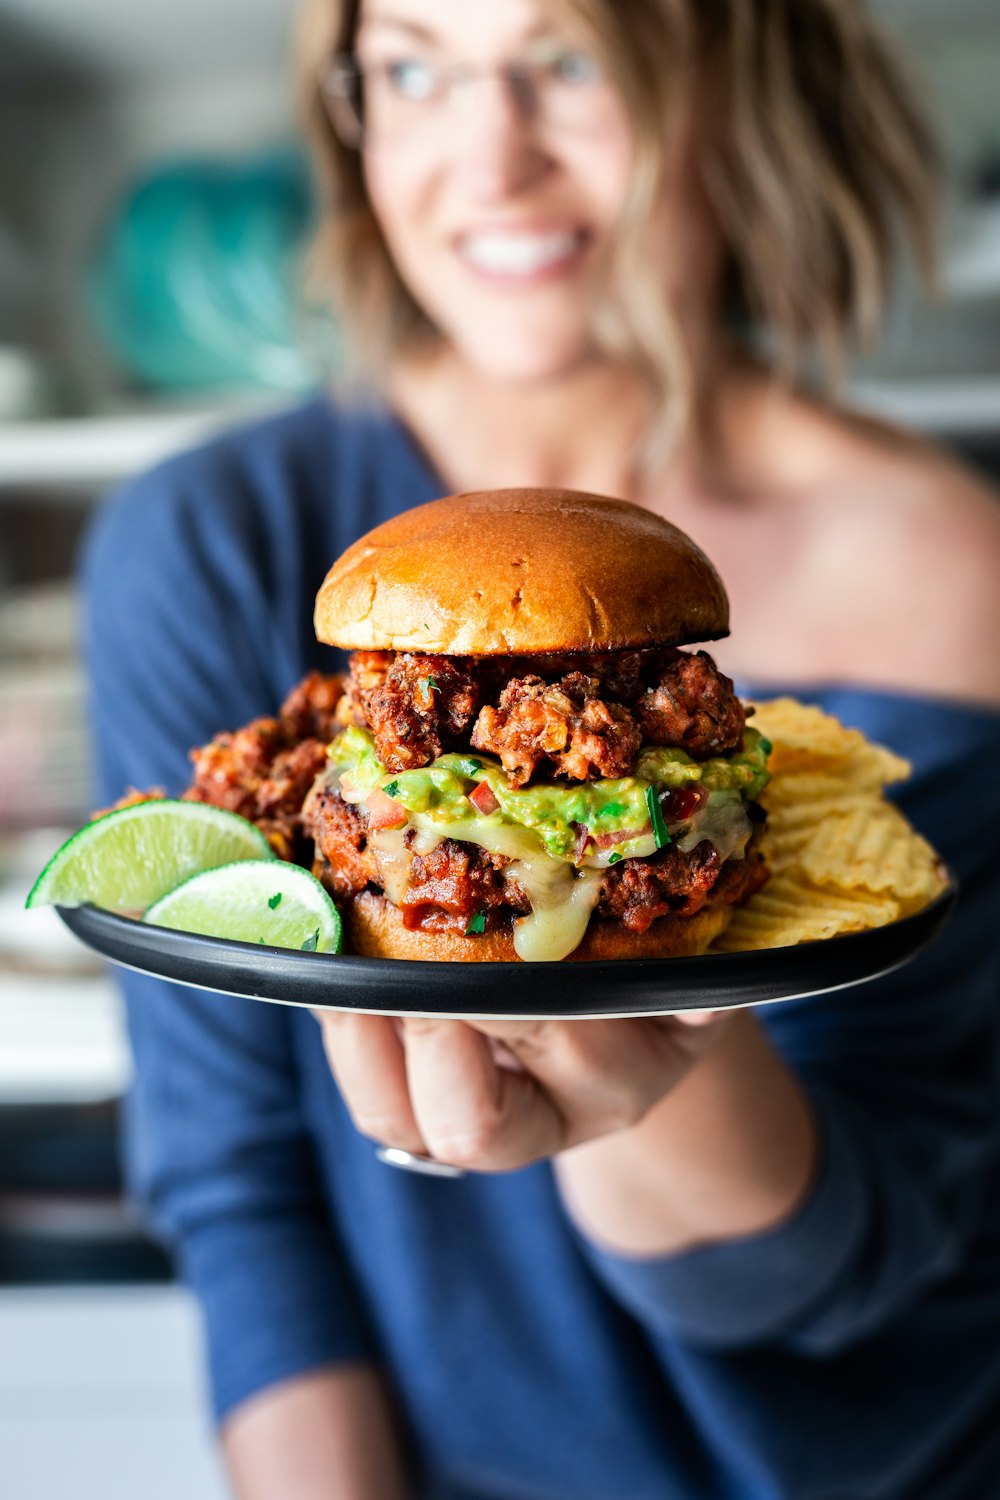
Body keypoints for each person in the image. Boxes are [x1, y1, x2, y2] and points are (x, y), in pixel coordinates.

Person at [81, 1, 1000, 1497]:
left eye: (571, 59)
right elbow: (236, 1186)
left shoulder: (968, 570)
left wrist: (653, 1053)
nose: (490, 158)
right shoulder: (209, 543)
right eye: (417, 68)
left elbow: (864, 1263)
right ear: (351, 109)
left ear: (737, 80)